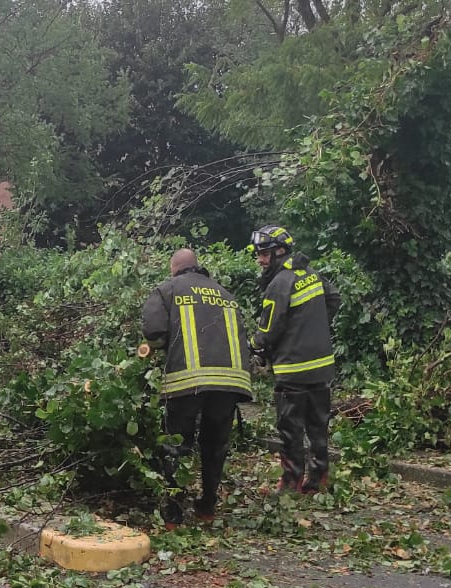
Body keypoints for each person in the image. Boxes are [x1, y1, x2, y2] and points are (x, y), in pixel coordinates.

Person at [140, 247, 254, 526]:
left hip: (187, 382)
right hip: (230, 382)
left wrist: (156, 351)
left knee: (176, 445)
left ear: (174, 268)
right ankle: (207, 508)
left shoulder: (167, 289)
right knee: (215, 446)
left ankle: (174, 514)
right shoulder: (226, 294)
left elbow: (153, 332)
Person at [250, 225, 341, 494]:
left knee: (291, 429)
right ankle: (318, 478)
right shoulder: (311, 275)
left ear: (280, 251)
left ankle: (291, 483)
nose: (260, 260)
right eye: (258, 254)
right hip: (322, 366)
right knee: (318, 426)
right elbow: (334, 298)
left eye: (264, 254)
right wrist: (313, 326)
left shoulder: (280, 284)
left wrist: (253, 347)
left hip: (293, 369)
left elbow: (268, 330)